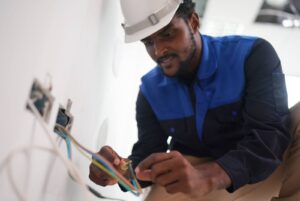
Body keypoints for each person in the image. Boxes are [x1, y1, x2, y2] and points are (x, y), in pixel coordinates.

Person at [89, 0, 291, 200]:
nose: (159, 51)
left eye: (167, 34)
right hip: (194, 178)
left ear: (193, 22)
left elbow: (269, 137)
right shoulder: (150, 92)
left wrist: (208, 177)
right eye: (148, 43)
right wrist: (120, 172)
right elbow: (147, 155)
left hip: (262, 171)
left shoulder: (251, 55)